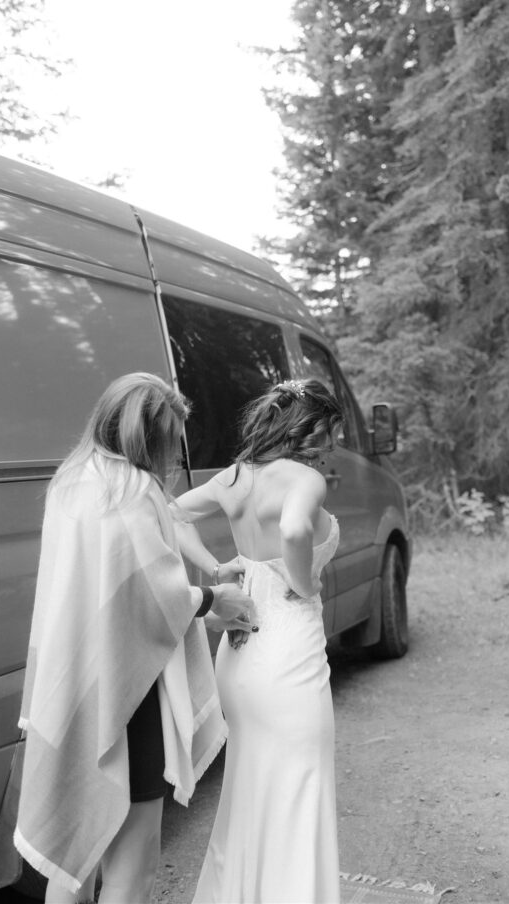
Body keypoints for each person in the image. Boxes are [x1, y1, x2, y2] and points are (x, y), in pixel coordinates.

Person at [13, 372, 255, 904]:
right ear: (153, 438)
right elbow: (159, 597)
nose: (172, 459)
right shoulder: (134, 489)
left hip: (73, 681)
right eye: (171, 443)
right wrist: (217, 600)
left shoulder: (72, 479)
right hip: (132, 688)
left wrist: (208, 573)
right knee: (134, 860)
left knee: (74, 860)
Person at [172, 377, 345, 904]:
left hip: (241, 654)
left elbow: (172, 512)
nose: (333, 444)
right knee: (298, 789)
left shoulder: (234, 478)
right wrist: (303, 581)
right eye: (331, 430)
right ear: (308, 427)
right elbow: (295, 531)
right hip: (288, 653)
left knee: (251, 787)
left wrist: (216, 567)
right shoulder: (305, 480)